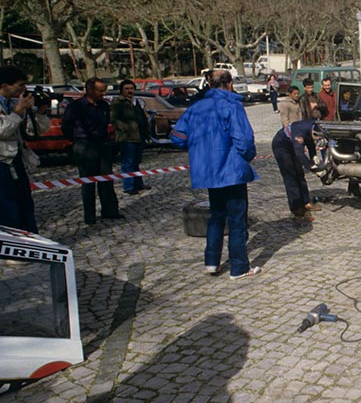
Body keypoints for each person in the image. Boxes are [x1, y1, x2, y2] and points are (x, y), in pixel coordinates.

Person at [170, 70, 261, 279]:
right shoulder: (232, 105)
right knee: (237, 220)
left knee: (216, 216)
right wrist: (247, 156)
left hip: (210, 172)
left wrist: (200, 151)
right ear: (229, 84)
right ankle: (239, 267)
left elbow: (177, 137)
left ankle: (211, 261)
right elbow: (244, 140)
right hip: (232, 171)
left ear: (209, 85)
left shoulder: (196, 107)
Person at [61, 77, 122, 225]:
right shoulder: (75, 107)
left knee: (107, 179)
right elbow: (66, 127)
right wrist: (77, 140)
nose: (103, 94)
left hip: (102, 144)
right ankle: (90, 216)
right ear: (90, 90)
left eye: (104, 91)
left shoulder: (104, 105)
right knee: (88, 181)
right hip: (84, 145)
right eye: (100, 91)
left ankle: (110, 211)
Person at [0, 66, 50, 232]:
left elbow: (34, 130)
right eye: (20, 85)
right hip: (2, 162)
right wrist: (18, 111)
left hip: (17, 160)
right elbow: (2, 131)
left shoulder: (15, 103)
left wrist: (39, 112)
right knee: (7, 209)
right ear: (5, 85)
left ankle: (31, 240)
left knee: (25, 204)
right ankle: (11, 251)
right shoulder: (15, 106)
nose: (23, 89)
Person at [272, 105, 328, 224]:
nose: (316, 140)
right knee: (291, 176)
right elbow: (299, 154)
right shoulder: (300, 132)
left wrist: (314, 157)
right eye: (316, 137)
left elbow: (311, 144)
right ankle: (297, 211)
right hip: (281, 145)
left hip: (292, 145)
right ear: (313, 131)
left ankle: (306, 202)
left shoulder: (313, 126)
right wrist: (312, 168)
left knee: (300, 174)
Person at [111, 79, 150, 195]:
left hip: (139, 136)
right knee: (127, 163)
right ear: (122, 91)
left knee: (136, 162)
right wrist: (124, 128)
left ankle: (138, 184)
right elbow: (113, 119)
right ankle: (128, 186)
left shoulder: (136, 101)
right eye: (126, 89)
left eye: (131, 88)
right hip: (127, 137)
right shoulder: (118, 102)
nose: (129, 91)